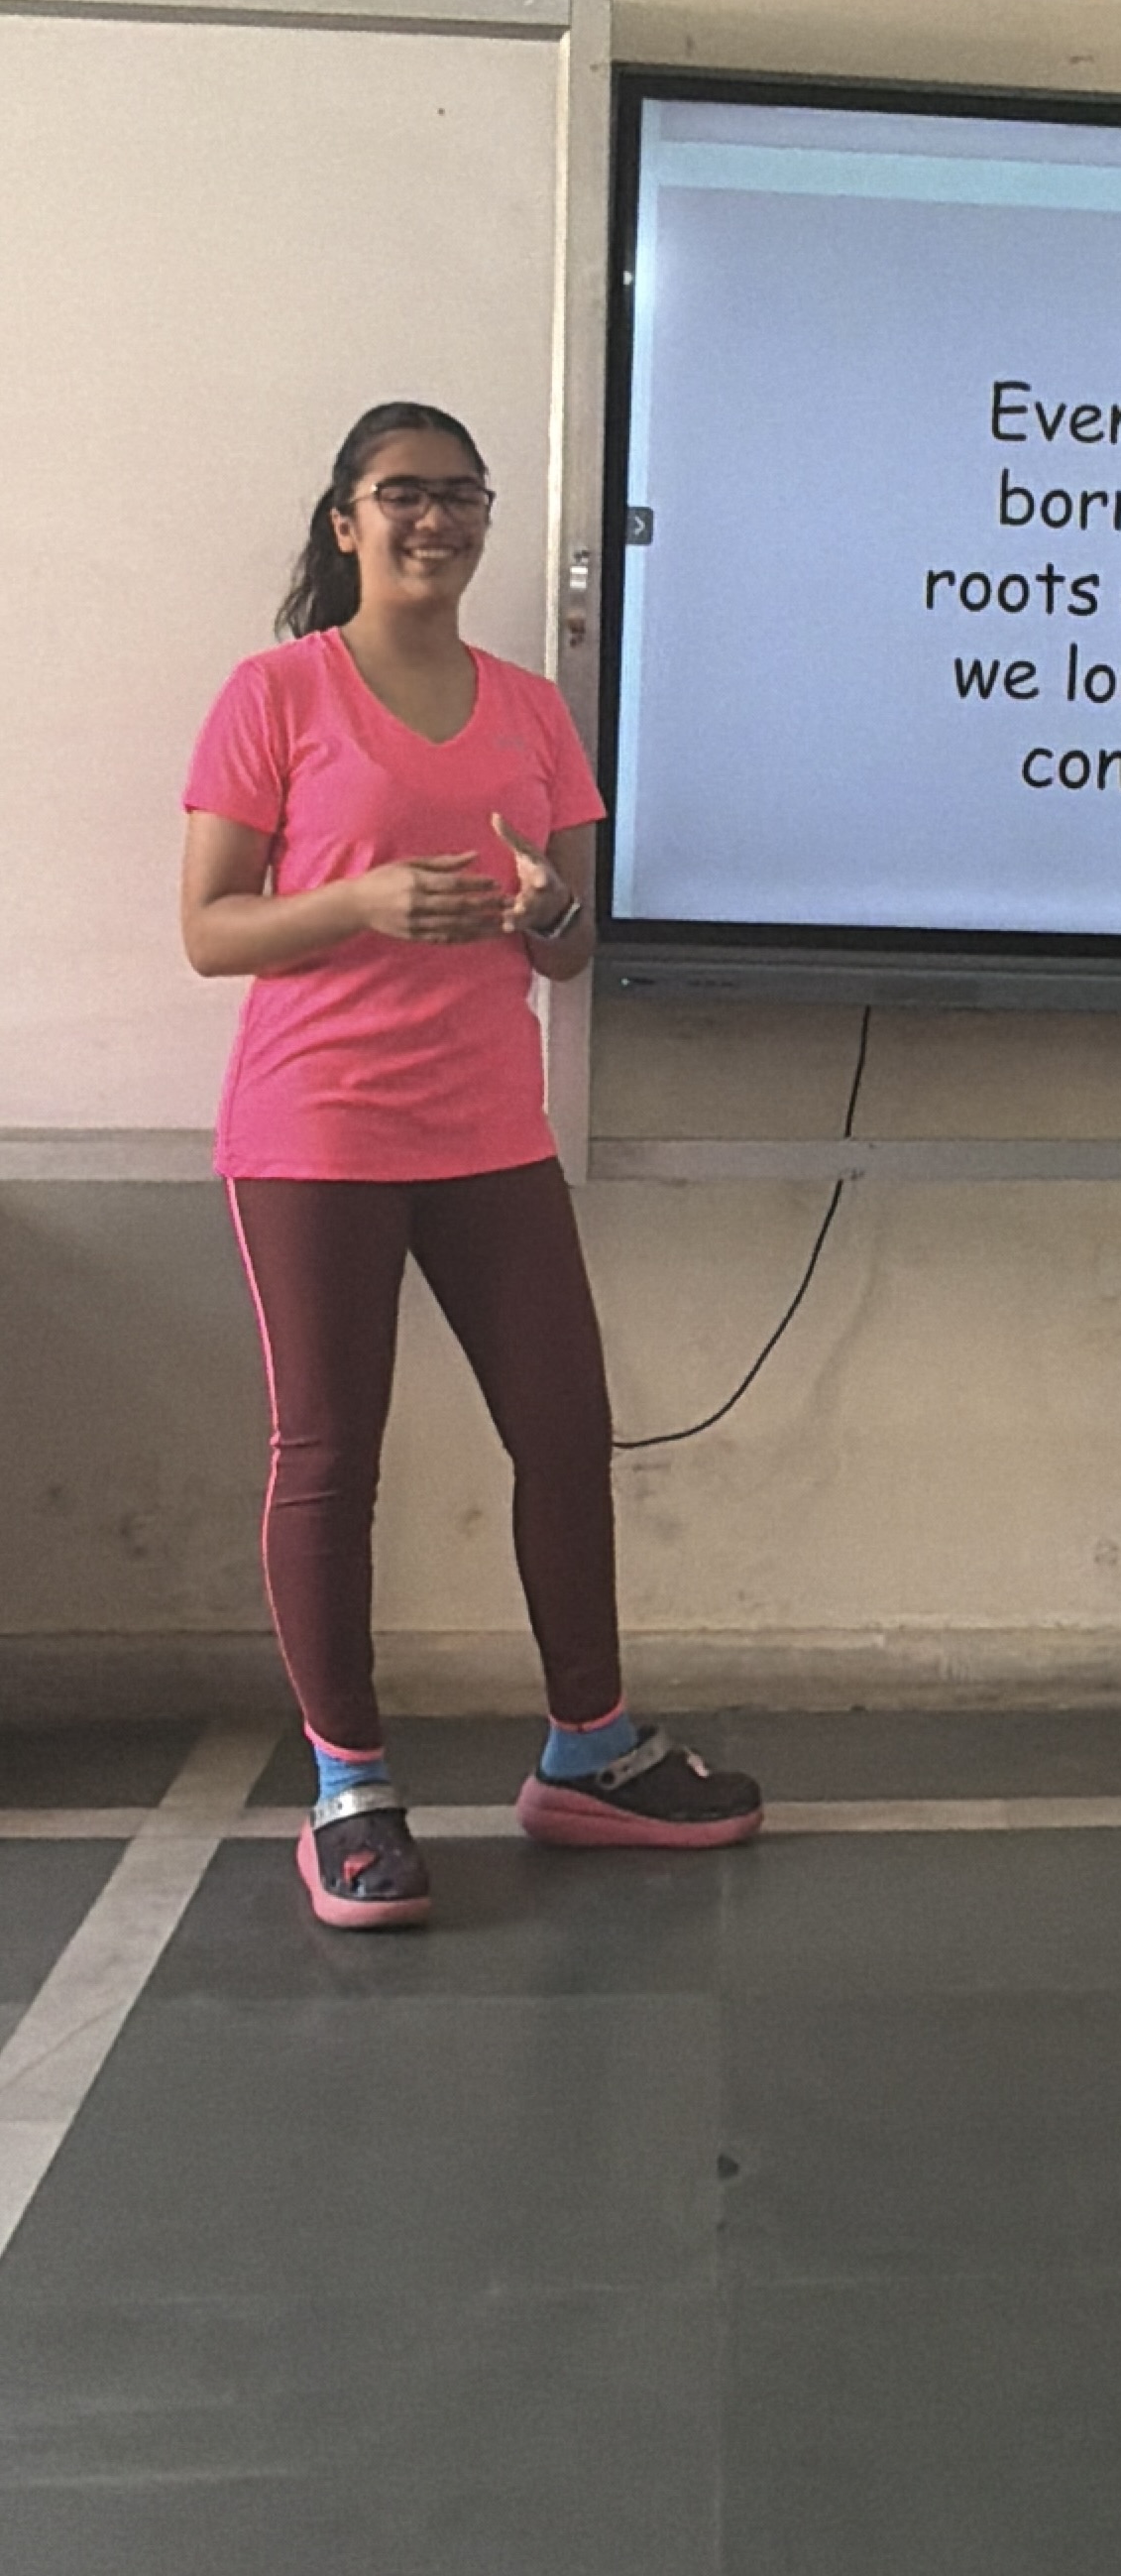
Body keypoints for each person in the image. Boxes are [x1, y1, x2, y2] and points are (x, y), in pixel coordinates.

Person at [180, 400, 762, 1930]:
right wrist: (361, 902)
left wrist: (541, 913)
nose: (434, 519)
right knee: (328, 1460)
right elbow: (207, 929)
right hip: (313, 1136)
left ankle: (587, 1750)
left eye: (460, 495)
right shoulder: (278, 693)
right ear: (345, 522)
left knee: (566, 1432)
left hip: (492, 1133)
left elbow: (571, 951)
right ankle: (351, 1792)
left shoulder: (528, 709)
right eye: (402, 494)